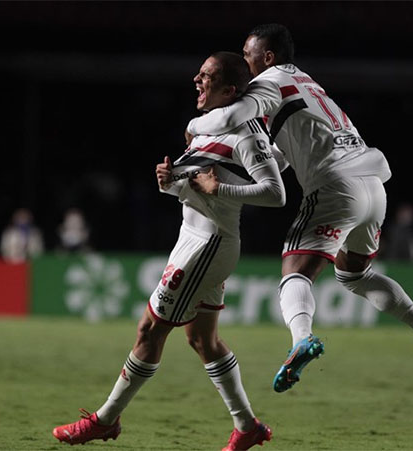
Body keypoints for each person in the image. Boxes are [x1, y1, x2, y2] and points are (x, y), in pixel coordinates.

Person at [187, 24, 413, 393]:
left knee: (294, 273)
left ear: (268, 57)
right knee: (354, 275)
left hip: (336, 186)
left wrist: (194, 126)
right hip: (373, 186)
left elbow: (231, 117)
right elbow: (287, 152)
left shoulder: (269, 81)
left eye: (248, 56)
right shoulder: (308, 83)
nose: (245, 64)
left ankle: (302, 339)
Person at [53, 51, 284, 450]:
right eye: (199, 73)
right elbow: (194, 189)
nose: (197, 79)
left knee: (150, 329)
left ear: (230, 90)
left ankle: (105, 420)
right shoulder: (209, 129)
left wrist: (220, 188)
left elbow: (275, 193)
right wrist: (170, 181)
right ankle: (247, 426)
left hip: (207, 246)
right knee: (203, 341)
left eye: (206, 76)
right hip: (194, 239)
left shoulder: (246, 133)